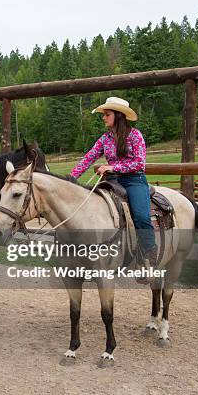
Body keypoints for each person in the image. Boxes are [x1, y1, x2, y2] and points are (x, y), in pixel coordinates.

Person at [70, 96, 157, 274]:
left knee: (140, 216)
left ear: (118, 116)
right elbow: (88, 158)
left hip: (134, 180)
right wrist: (70, 178)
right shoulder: (105, 139)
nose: (103, 117)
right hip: (112, 180)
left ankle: (150, 253)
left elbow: (140, 163)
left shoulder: (135, 136)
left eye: (107, 114)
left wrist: (112, 166)